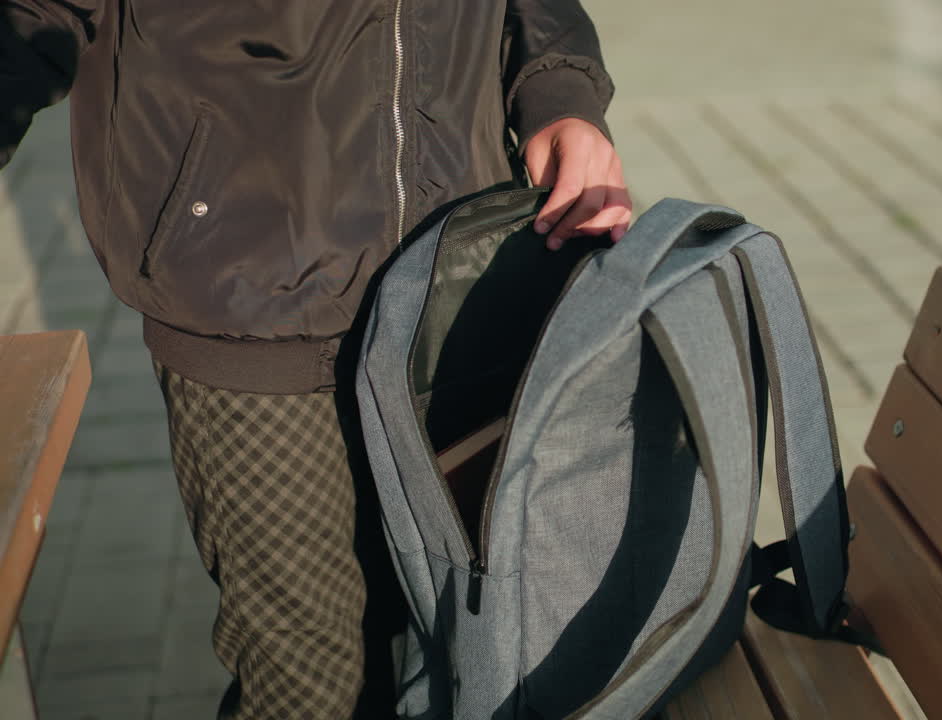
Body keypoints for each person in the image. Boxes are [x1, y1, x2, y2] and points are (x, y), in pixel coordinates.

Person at [1, 1, 631, 717]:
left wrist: (561, 98)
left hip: (458, 284)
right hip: (253, 319)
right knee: (314, 688)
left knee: (477, 646)